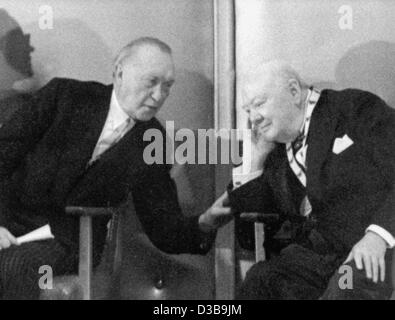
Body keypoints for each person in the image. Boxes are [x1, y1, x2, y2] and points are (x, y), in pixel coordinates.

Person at [0, 37, 232, 299]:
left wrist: (205, 222)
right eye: (151, 82)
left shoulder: (151, 140)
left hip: (67, 243)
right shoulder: (65, 96)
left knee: (12, 266)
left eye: (167, 86)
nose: (159, 96)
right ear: (120, 71)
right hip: (9, 222)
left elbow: (163, 225)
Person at [228, 60, 395, 299]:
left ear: (294, 91)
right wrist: (253, 163)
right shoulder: (276, 153)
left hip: (375, 250)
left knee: (343, 288)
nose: (254, 117)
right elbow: (247, 237)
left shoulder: (353, 108)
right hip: (320, 258)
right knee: (260, 280)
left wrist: (378, 236)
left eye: (259, 104)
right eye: (247, 110)